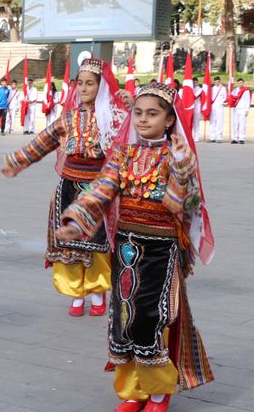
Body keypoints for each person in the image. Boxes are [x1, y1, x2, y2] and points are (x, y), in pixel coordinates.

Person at [57, 82, 214, 412]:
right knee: (122, 317)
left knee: (150, 317)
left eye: (152, 114)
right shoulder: (123, 153)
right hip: (126, 244)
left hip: (161, 248)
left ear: (170, 119)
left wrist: (182, 171)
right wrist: (76, 219)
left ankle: (158, 393)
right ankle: (133, 391)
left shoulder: (176, 156)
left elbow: (175, 205)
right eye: (139, 113)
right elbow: (101, 190)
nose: (143, 119)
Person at [2, 58, 131, 316]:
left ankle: (97, 294)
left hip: (98, 189)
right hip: (68, 186)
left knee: (97, 242)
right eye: (79, 83)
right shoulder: (69, 117)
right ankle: (75, 295)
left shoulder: (115, 117)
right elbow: (44, 141)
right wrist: (18, 161)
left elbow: (135, 134)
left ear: (101, 86)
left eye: (90, 83)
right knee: (69, 243)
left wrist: (132, 105)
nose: (83, 89)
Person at [228, 78, 250, 144]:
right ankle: (235, 138)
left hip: (243, 109)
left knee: (242, 124)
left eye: (241, 83)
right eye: (238, 83)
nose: (240, 84)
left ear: (243, 83)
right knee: (235, 124)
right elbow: (231, 96)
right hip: (236, 109)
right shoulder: (235, 90)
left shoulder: (246, 90)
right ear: (237, 83)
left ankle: (242, 138)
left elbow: (248, 101)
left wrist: (247, 110)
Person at [208, 77, 226, 142]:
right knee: (212, 122)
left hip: (219, 106)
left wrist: (221, 103)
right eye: (215, 82)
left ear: (220, 81)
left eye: (218, 81)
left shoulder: (223, 88)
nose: (217, 83)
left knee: (219, 122)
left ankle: (219, 137)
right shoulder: (212, 88)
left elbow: (225, 97)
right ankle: (212, 137)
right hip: (213, 106)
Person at [192, 77, 203, 142]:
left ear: (198, 82)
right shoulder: (191, 89)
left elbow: (195, 96)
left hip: (197, 107)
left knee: (196, 123)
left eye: (195, 82)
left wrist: (190, 91)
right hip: (191, 107)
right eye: (193, 82)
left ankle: (197, 136)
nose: (194, 83)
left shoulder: (200, 89)